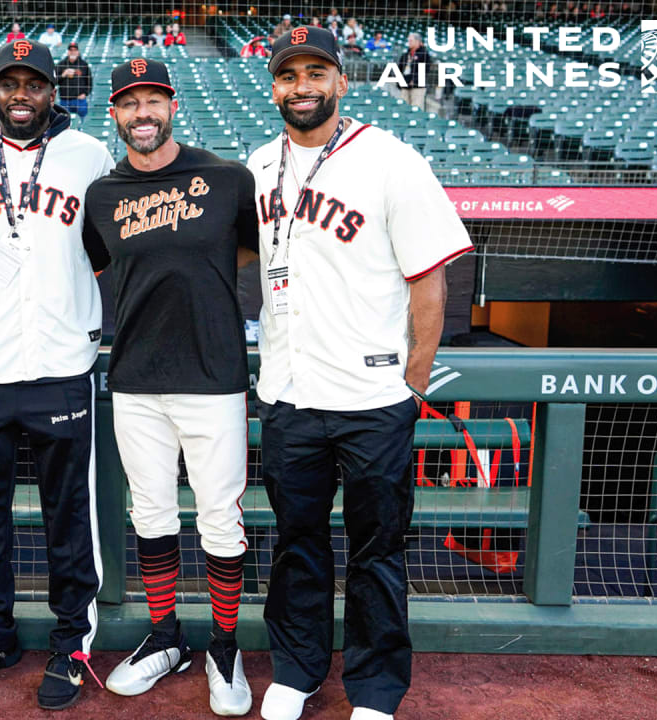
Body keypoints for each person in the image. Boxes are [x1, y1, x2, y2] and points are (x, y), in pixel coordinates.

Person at [245, 26, 473, 720]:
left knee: (378, 554)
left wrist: (413, 383)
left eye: (317, 73)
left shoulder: (392, 160)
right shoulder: (259, 164)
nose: (302, 86)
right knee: (296, 546)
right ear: (275, 86)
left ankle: (375, 690)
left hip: (373, 399)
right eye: (289, 75)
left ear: (342, 82)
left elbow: (429, 279)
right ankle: (298, 670)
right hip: (289, 393)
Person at [0, 38, 114, 712]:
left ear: (53, 90)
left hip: (63, 363)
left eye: (33, 84)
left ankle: (72, 642)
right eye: (9, 83)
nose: (21, 95)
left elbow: (103, 255)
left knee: (69, 515)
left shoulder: (90, 156)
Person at [82, 58, 258, 718]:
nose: (143, 113)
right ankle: (165, 638)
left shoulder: (227, 179)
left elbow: (243, 251)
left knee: (219, 517)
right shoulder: (102, 195)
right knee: (150, 514)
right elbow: (105, 266)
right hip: (134, 377)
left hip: (213, 376)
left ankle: (223, 647)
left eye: (153, 99)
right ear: (116, 114)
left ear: (173, 106)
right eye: (131, 103)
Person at [55, 42, 91, 119]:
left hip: (79, 100)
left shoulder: (83, 64)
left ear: (78, 52)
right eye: (71, 50)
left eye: (75, 50)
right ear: (68, 52)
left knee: (82, 121)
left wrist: (85, 93)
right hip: (65, 100)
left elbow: (89, 82)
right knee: (64, 122)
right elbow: (54, 81)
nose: (73, 52)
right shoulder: (61, 64)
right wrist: (63, 75)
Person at [395, 32, 430, 109]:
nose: (409, 42)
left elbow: (424, 70)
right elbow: (399, 69)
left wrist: (414, 80)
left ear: (417, 42)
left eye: (411, 41)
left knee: (416, 108)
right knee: (403, 108)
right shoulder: (406, 55)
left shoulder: (423, 54)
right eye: (409, 41)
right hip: (405, 85)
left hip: (417, 86)